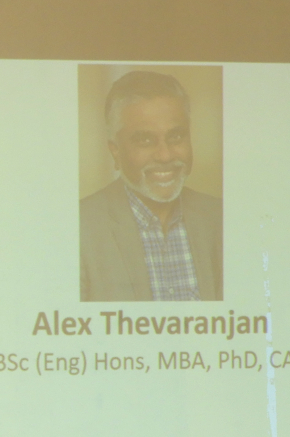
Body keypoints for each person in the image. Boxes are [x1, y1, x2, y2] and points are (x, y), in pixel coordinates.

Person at [80, 70, 223, 302]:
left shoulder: (221, 218)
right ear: (115, 151)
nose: (165, 155)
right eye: (145, 140)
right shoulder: (79, 229)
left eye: (176, 137)